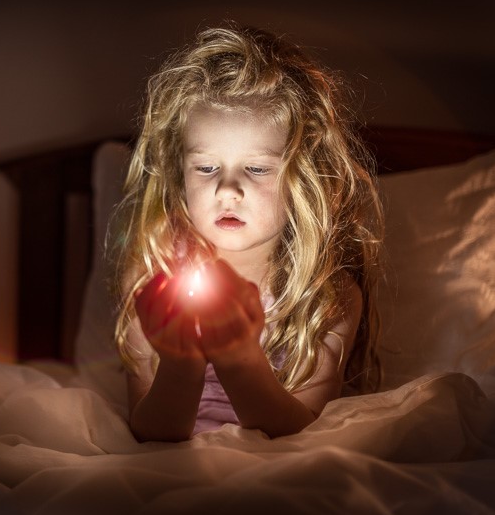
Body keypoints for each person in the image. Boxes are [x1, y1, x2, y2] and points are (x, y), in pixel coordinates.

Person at [109, 23, 384, 442]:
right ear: (178, 173)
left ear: (303, 179)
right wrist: (181, 366)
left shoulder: (326, 297)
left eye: (256, 169)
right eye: (206, 167)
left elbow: (302, 434)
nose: (227, 189)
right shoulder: (150, 278)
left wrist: (240, 359)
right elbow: (149, 432)